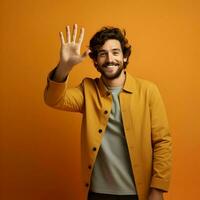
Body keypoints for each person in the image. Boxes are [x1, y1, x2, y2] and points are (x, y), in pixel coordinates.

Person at [44, 24, 172, 200]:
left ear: (125, 57)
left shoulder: (148, 91)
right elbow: (54, 99)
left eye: (115, 52)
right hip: (98, 194)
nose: (109, 58)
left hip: (138, 193)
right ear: (95, 61)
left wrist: (157, 189)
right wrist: (64, 67)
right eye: (103, 54)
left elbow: (162, 142)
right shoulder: (87, 89)